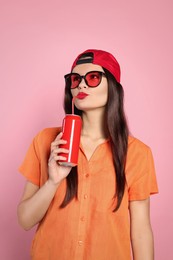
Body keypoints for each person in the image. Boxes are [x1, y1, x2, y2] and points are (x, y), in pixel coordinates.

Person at [17, 49, 158, 260]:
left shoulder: (138, 153)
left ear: (112, 87)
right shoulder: (46, 140)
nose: (81, 85)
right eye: (75, 79)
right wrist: (53, 181)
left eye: (93, 77)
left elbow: (140, 232)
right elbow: (25, 220)